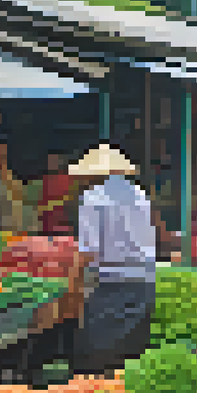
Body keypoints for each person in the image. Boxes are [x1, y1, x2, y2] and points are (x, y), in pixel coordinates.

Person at [69, 144, 157, 377]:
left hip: (113, 284)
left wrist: (74, 284)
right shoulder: (139, 194)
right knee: (130, 357)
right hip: (145, 283)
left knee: (95, 357)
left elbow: (89, 251)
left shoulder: (93, 198)